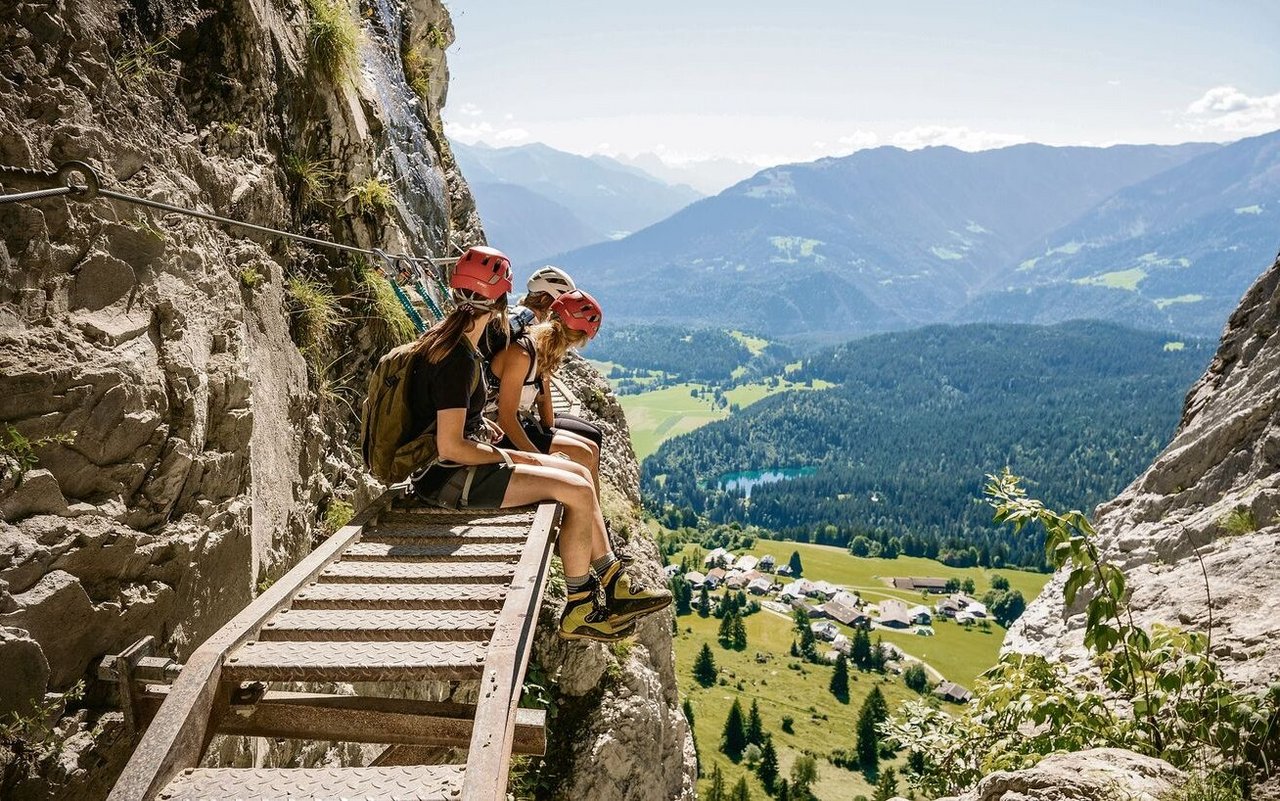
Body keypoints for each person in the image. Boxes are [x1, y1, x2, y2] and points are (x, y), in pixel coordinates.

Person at [410, 246, 668, 641]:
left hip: (455, 469)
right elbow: (449, 447)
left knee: (579, 472)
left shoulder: (458, 346)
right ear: (499, 302)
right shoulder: (459, 358)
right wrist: (508, 454)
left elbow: (456, 427)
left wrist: (489, 435)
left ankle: (609, 583)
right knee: (576, 488)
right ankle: (582, 602)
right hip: (449, 479)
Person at [479, 265, 604, 448]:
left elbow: (542, 394)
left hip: (510, 416)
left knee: (591, 439)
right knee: (589, 443)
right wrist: (542, 450)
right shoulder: (527, 345)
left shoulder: (522, 329)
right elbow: (532, 403)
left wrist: (548, 434)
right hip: (499, 424)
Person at [490, 289, 604, 486]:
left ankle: (594, 516)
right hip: (495, 433)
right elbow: (505, 419)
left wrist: (549, 433)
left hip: (514, 425)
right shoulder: (522, 355)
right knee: (584, 454)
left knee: (591, 449)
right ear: (575, 339)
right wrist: (540, 460)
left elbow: (542, 398)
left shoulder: (541, 348)